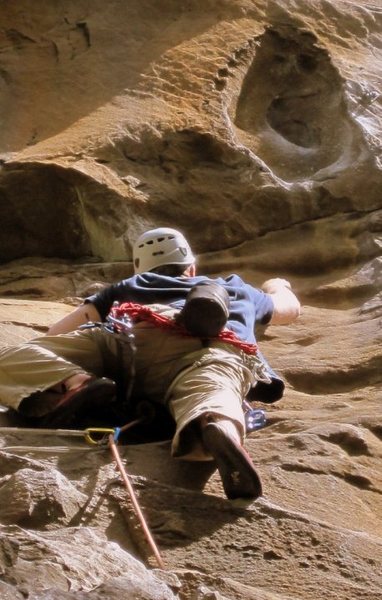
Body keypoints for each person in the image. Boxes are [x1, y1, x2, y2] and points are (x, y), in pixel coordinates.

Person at [0, 227, 300, 500]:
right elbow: (289, 309)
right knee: (211, 386)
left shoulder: (131, 284)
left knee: (14, 358)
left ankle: (73, 382)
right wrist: (278, 285)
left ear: (139, 266)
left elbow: (58, 332)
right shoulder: (236, 289)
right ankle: (215, 424)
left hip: (133, 337)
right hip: (212, 344)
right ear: (191, 267)